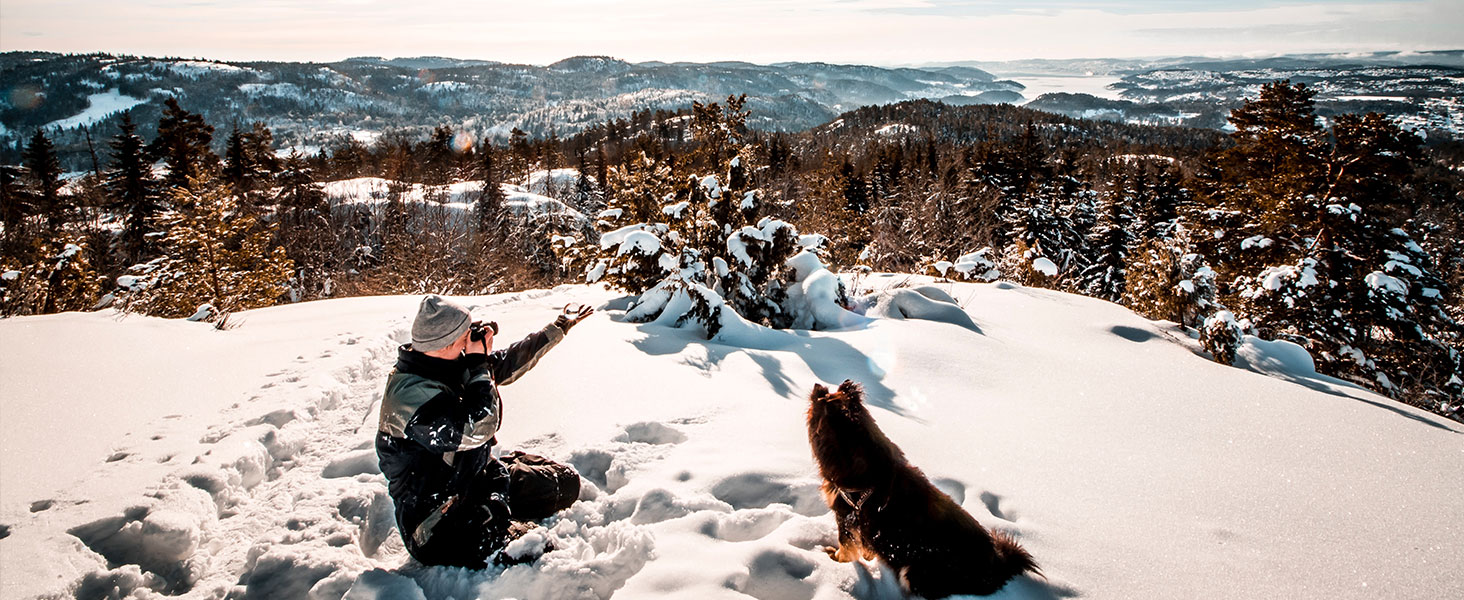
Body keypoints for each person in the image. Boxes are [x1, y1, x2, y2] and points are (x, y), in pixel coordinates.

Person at [376, 294, 593, 568]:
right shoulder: (410, 399)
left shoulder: (444, 363)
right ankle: (499, 520)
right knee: (539, 553)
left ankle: (504, 479)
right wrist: (479, 364)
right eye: (466, 334)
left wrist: (559, 326)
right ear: (446, 343)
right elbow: (480, 426)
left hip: (475, 480)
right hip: (438, 523)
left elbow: (509, 361)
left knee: (565, 483)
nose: (471, 338)